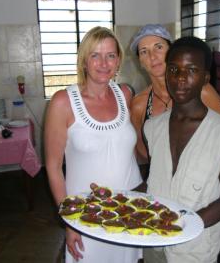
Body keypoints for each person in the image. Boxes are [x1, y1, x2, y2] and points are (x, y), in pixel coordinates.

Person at [44, 26, 142, 263]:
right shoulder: (62, 102)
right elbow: (53, 167)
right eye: (95, 55)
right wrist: (69, 222)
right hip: (85, 214)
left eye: (110, 55)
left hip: (128, 208)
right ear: (84, 61)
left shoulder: (125, 94)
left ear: (118, 60)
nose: (103, 63)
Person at [141, 36, 220, 262]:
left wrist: (183, 225)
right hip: (153, 242)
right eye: (174, 69)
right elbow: (156, 178)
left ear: (205, 77)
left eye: (191, 70)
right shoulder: (152, 127)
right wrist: (119, 196)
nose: (180, 78)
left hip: (194, 250)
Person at [129, 24, 220, 173]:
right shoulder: (139, 104)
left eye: (159, 47)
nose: (152, 56)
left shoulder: (201, 91)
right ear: (140, 62)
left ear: (172, 52)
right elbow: (141, 152)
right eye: (144, 52)